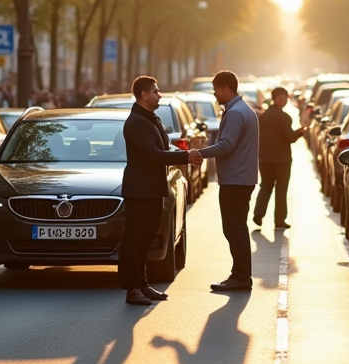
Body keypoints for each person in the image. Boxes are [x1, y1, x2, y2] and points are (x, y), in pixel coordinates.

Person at [119, 76, 198, 306]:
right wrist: (186, 157)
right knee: (134, 240)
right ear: (144, 95)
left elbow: (163, 147)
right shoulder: (136, 122)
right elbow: (153, 154)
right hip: (140, 190)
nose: (159, 94)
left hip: (152, 189)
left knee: (146, 239)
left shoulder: (150, 118)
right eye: (155, 91)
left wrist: (184, 152)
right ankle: (132, 288)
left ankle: (143, 284)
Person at [196, 70, 260, 292]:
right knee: (236, 228)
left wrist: (199, 153)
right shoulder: (244, 110)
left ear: (225, 88)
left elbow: (225, 145)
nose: (215, 94)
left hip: (236, 179)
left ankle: (241, 276)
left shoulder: (235, 113)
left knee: (235, 229)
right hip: (241, 177)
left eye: (215, 90)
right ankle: (239, 274)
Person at [252, 86, 304, 229]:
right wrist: (299, 133)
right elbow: (290, 137)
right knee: (281, 190)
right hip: (282, 160)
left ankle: (258, 214)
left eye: (285, 98)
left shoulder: (263, 116)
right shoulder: (284, 117)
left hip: (264, 158)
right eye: (281, 98)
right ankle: (279, 220)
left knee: (266, 186)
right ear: (275, 99)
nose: (284, 100)